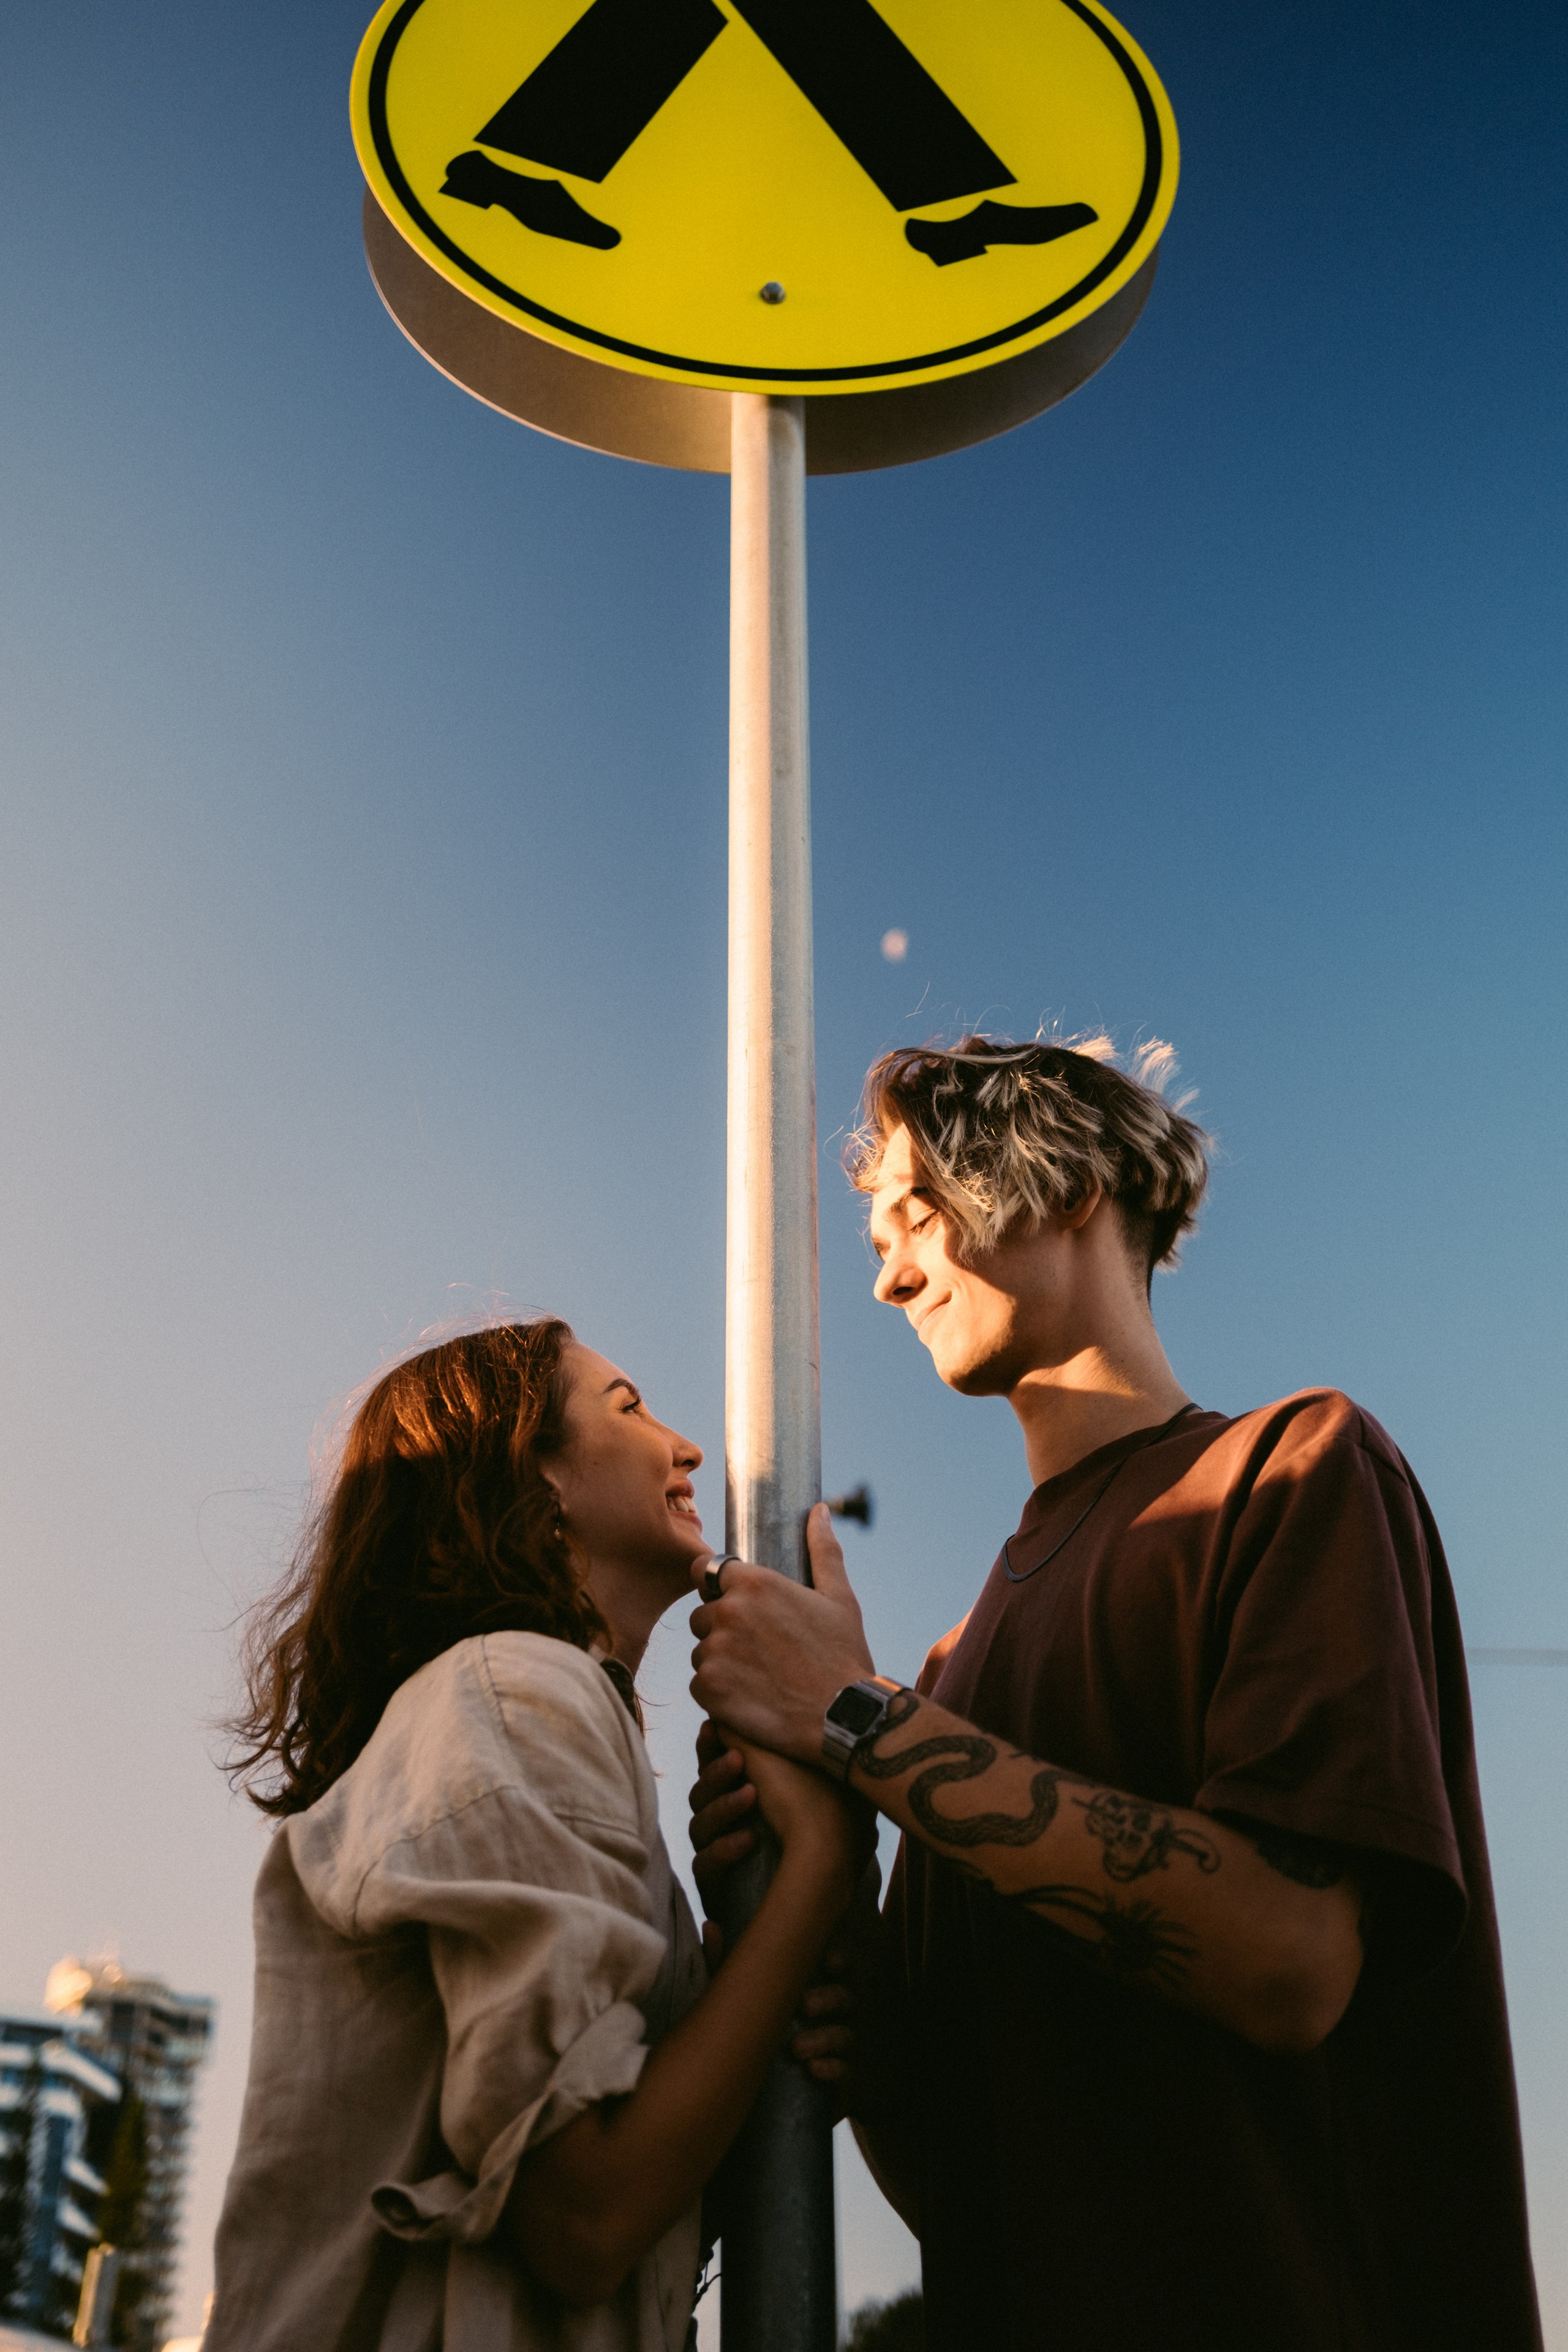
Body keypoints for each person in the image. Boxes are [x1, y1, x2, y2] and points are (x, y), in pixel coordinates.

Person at [688, 1034, 1543, 2352]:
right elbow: (957, 2182)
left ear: (1068, 1188)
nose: (888, 1276)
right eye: (874, 1241)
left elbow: (1288, 1962)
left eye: (913, 1214)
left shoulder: (1288, 1470)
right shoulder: (943, 1674)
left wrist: (851, 1721)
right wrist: (825, 1862)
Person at [209, 1319, 859, 2352]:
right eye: (629, 1406)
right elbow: (583, 2221)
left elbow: (633, 2211)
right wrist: (821, 1864)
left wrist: (763, 2025)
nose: (687, 1448)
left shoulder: (539, 1710)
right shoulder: (519, 1689)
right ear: (534, 1478)